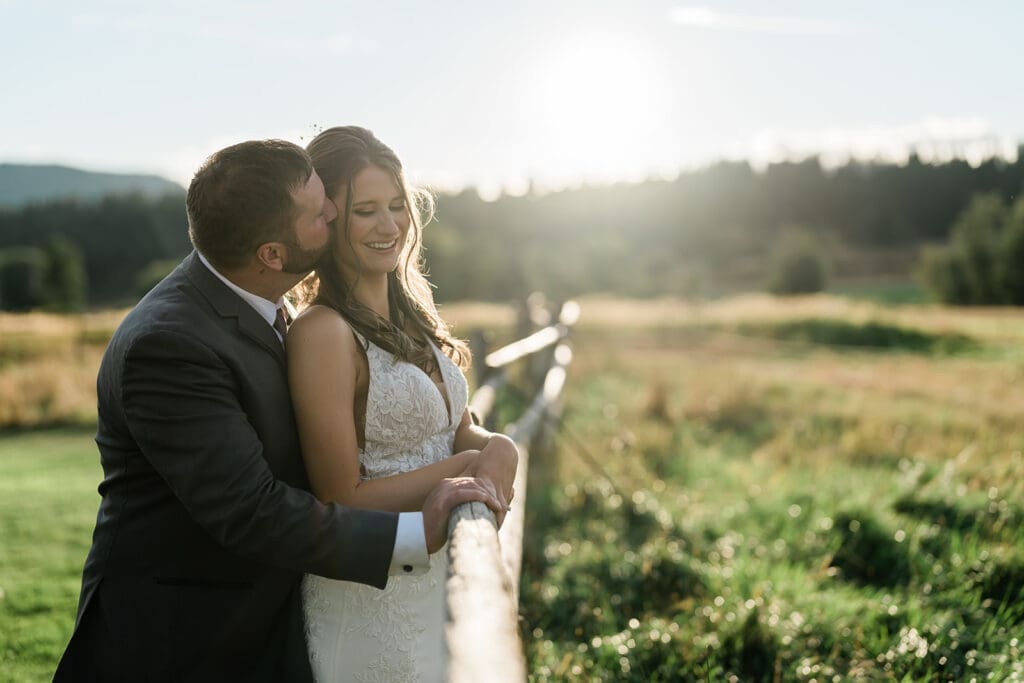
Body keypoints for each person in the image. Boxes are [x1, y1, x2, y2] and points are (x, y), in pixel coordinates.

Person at [54, 140, 505, 683]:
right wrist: (416, 533)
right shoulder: (171, 343)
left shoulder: (269, 301)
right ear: (272, 253)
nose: (335, 213)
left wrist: (487, 447)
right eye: (322, 214)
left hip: (274, 621)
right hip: (185, 639)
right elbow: (253, 512)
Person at [289, 126, 518, 682]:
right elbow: (339, 493)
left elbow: (456, 430)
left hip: (437, 571)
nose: (389, 226)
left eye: (397, 205)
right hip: (371, 595)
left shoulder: (413, 313)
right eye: (365, 210)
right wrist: (465, 468)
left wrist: (500, 448)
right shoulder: (323, 332)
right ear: (328, 220)